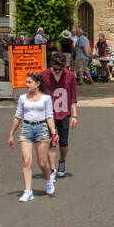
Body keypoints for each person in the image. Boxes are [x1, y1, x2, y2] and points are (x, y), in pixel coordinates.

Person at [7, 71, 59, 202]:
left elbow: (49, 116)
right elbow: (18, 116)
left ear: (38, 84)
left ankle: (48, 181)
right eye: (26, 82)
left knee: (42, 163)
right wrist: (11, 134)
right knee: (26, 161)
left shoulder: (46, 98)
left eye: (29, 82)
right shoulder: (22, 98)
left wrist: (53, 132)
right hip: (26, 129)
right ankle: (28, 191)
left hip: (41, 129)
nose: (27, 84)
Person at [41, 51, 78, 184]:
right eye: (55, 69)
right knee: (52, 141)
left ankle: (62, 160)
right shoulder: (43, 76)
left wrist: (74, 115)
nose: (57, 71)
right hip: (49, 114)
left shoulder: (71, 76)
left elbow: (73, 98)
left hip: (64, 113)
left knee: (63, 143)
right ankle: (52, 170)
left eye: (60, 69)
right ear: (51, 65)